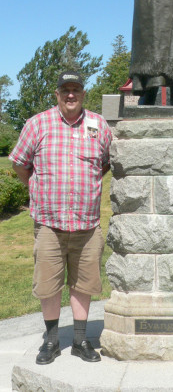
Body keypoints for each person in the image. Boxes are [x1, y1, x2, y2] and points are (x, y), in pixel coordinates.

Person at [9, 71, 112, 365]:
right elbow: (19, 163)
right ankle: (51, 340)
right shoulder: (37, 124)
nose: (70, 95)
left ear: (83, 94)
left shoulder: (99, 125)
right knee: (49, 284)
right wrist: (35, 186)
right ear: (57, 94)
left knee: (85, 283)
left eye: (76, 90)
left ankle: (80, 339)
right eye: (65, 90)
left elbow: (104, 164)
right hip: (49, 224)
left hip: (87, 224)